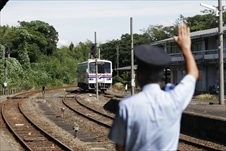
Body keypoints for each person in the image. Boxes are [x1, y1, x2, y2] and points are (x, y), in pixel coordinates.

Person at [108, 24, 199, 151]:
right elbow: (193, 74)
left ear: (139, 74)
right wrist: (186, 48)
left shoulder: (127, 105)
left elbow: (120, 148)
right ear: (162, 75)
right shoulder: (175, 99)